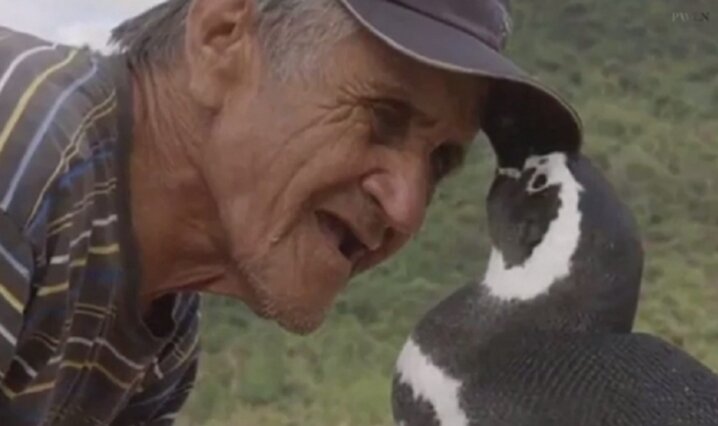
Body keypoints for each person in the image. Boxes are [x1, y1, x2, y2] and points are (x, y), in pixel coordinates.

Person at [0, 0, 582, 424]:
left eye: (439, 163)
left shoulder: (161, 332)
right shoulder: (19, 155)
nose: (406, 208)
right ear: (222, 36)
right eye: (383, 116)